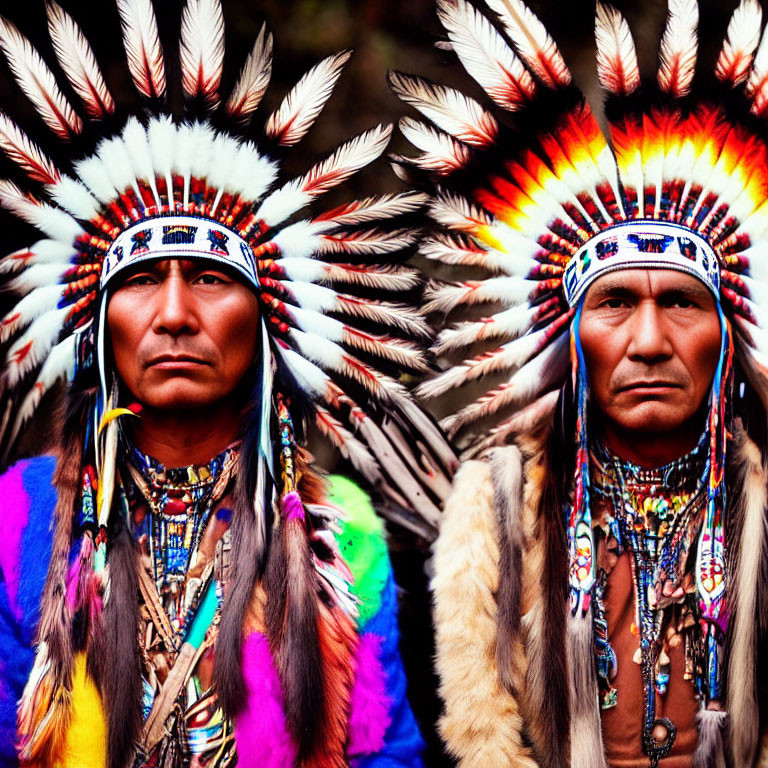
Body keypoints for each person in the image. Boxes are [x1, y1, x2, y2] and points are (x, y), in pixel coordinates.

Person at [0, 1, 454, 765]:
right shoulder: (19, 516)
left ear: (267, 318)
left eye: (211, 278)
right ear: (98, 320)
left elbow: (385, 755)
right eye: (141, 281)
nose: (175, 315)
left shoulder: (343, 535)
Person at [391, 0, 768, 766]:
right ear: (568, 336)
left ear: (728, 335)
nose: (651, 342)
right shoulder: (500, 506)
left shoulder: (758, 496)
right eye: (617, 304)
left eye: (684, 304)